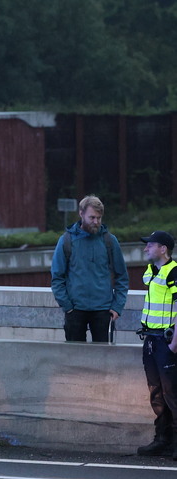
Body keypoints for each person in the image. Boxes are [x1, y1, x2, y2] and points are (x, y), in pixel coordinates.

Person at [51, 195, 127, 342]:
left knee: (102, 355)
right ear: (81, 214)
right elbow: (57, 277)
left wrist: (117, 306)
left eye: (99, 218)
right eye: (92, 217)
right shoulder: (66, 240)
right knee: (74, 355)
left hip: (103, 310)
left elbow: (122, 276)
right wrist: (67, 306)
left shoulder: (110, 241)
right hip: (75, 310)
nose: (96, 222)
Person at [135, 230, 177, 457]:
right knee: (156, 391)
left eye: (150, 245)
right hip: (150, 339)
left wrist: (174, 344)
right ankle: (162, 439)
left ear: (163, 249)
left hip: (166, 340)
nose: (146, 249)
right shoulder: (152, 270)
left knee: (172, 392)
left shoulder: (173, 271)